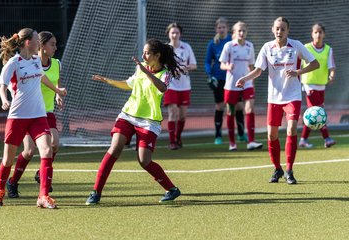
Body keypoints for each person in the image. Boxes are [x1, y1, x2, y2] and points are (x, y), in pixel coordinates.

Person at [86, 38, 183, 205]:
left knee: (144, 161)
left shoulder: (165, 74)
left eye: (147, 53)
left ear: (157, 55)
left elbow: (162, 88)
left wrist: (147, 72)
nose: (143, 56)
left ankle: (172, 189)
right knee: (114, 149)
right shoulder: (140, 68)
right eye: (143, 52)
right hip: (128, 115)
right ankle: (96, 192)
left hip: (149, 121)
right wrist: (107, 80)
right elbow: (128, 85)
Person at [236, 17, 319, 184]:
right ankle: (277, 168)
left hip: (293, 96)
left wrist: (298, 72)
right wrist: (244, 79)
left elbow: (315, 64)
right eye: (277, 29)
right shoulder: (267, 47)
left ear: (288, 31)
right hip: (274, 97)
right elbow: (258, 71)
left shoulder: (296, 45)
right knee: (271, 134)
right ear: (272, 30)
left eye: (283, 29)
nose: (279, 31)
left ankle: (289, 170)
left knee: (291, 129)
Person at [0, 28, 66, 208]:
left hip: (38, 115)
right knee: (8, 160)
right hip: (17, 116)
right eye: (36, 40)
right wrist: (4, 99)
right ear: (28, 43)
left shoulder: (35, 61)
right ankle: (0, 191)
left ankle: (43, 196)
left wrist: (57, 91)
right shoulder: (13, 63)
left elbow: (43, 77)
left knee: (47, 151)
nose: (38, 44)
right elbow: (2, 86)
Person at [219, 21, 263, 151]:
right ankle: (232, 143)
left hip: (247, 83)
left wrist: (252, 82)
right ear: (234, 32)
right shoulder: (229, 46)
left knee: (250, 108)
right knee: (230, 112)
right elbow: (221, 64)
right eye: (239, 31)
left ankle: (251, 141)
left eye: (244, 31)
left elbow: (251, 67)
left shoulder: (250, 46)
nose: (242, 33)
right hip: (231, 84)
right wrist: (228, 66)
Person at [205, 17, 247, 145]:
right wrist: (210, 75)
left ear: (228, 29)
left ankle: (240, 133)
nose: (221, 29)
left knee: (239, 106)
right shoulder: (213, 43)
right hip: (219, 79)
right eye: (219, 27)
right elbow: (208, 61)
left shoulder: (233, 41)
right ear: (216, 29)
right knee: (220, 106)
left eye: (223, 27)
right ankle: (218, 135)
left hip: (234, 79)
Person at [299, 23, 336, 148]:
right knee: (317, 112)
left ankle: (303, 139)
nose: (318, 34)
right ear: (312, 34)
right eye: (316, 32)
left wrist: (331, 75)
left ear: (324, 34)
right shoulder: (306, 47)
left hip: (321, 85)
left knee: (313, 114)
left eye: (320, 32)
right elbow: (299, 64)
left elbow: (331, 67)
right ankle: (327, 138)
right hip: (309, 84)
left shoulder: (328, 50)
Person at [163, 23, 197, 150]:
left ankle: (178, 137)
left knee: (182, 115)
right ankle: (172, 142)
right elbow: (160, 66)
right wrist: (172, 69)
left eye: (177, 33)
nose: (175, 35)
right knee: (173, 112)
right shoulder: (165, 49)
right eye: (172, 33)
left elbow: (194, 65)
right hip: (171, 85)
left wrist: (184, 68)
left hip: (184, 86)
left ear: (180, 34)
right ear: (169, 34)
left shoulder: (186, 47)